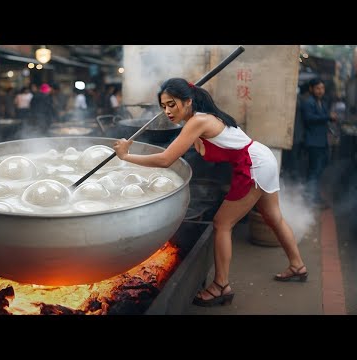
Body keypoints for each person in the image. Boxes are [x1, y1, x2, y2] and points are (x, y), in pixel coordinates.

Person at [113, 77, 307, 307]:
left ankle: (221, 286)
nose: (167, 111)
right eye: (163, 106)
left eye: (172, 104)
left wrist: (126, 156)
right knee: (273, 217)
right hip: (262, 158)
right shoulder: (201, 120)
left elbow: (166, 159)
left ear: (188, 101)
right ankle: (298, 266)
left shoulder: (198, 121)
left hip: (254, 165)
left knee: (222, 223)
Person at [301, 78, 338, 206]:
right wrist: (328, 117)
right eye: (317, 88)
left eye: (322, 88)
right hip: (313, 142)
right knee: (314, 171)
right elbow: (309, 118)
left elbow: (322, 119)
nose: (320, 91)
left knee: (318, 171)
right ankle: (310, 199)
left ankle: (314, 197)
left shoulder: (320, 102)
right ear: (311, 89)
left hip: (321, 142)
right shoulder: (309, 102)